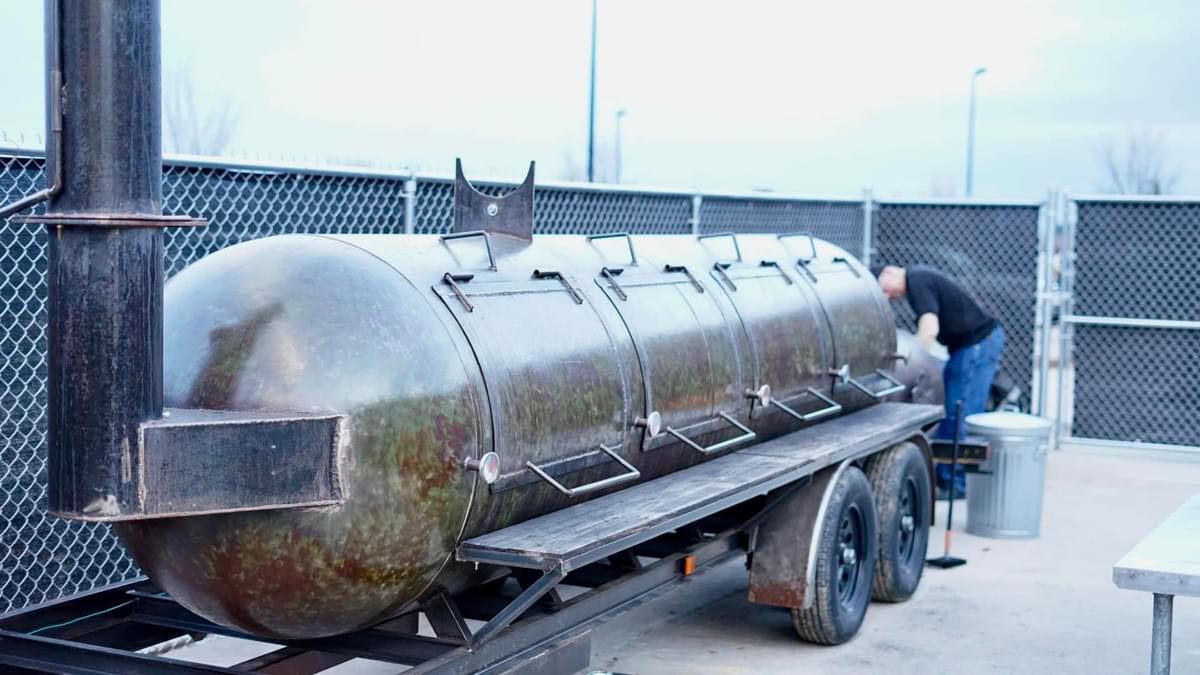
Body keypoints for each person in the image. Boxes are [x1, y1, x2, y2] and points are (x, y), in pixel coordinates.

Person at [872, 265, 1004, 498]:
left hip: (976, 344)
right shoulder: (919, 279)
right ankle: (948, 479)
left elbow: (929, 329)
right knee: (953, 410)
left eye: (883, 289)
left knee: (958, 411)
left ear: (889, 273)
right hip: (968, 346)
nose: (886, 296)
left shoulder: (916, 281)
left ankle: (955, 484)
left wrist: (909, 361)